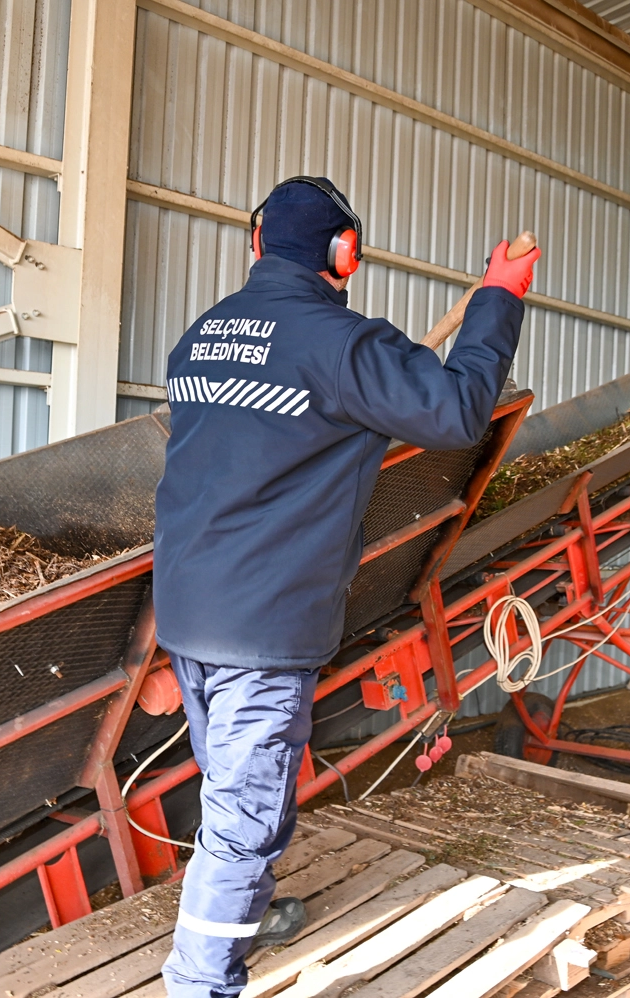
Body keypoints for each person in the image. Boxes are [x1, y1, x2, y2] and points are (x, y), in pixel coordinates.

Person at [153, 175, 539, 997]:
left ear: (255, 242)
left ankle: (243, 919)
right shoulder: (340, 344)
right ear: (345, 254)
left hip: (189, 616)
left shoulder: (201, 337)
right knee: (244, 823)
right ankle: (200, 984)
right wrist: (497, 299)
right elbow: (458, 410)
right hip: (261, 630)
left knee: (236, 800)